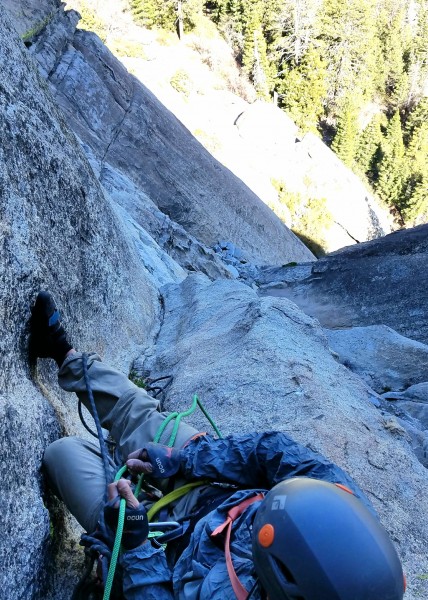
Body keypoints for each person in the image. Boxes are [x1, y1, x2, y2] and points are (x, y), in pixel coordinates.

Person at [31, 291, 406, 600]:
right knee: (140, 415)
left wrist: (136, 545)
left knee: (62, 455)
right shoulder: (347, 516)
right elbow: (270, 451)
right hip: (206, 492)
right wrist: (186, 460)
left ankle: (118, 498)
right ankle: (64, 354)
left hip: (164, 552)